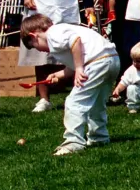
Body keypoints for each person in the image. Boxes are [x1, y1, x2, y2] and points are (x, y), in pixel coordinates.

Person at [20, 14, 120, 156]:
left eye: (35, 46)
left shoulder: (52, 34)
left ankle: (73, 142)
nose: (40, 50)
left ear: (34, 36)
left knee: (74, 102)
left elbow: (75, 41)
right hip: (111, 60)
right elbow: (75, 59)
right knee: (96, 103)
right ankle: (99, 137)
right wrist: (58, 75)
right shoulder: (63, 32)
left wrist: (79, 68)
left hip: (96, 63)